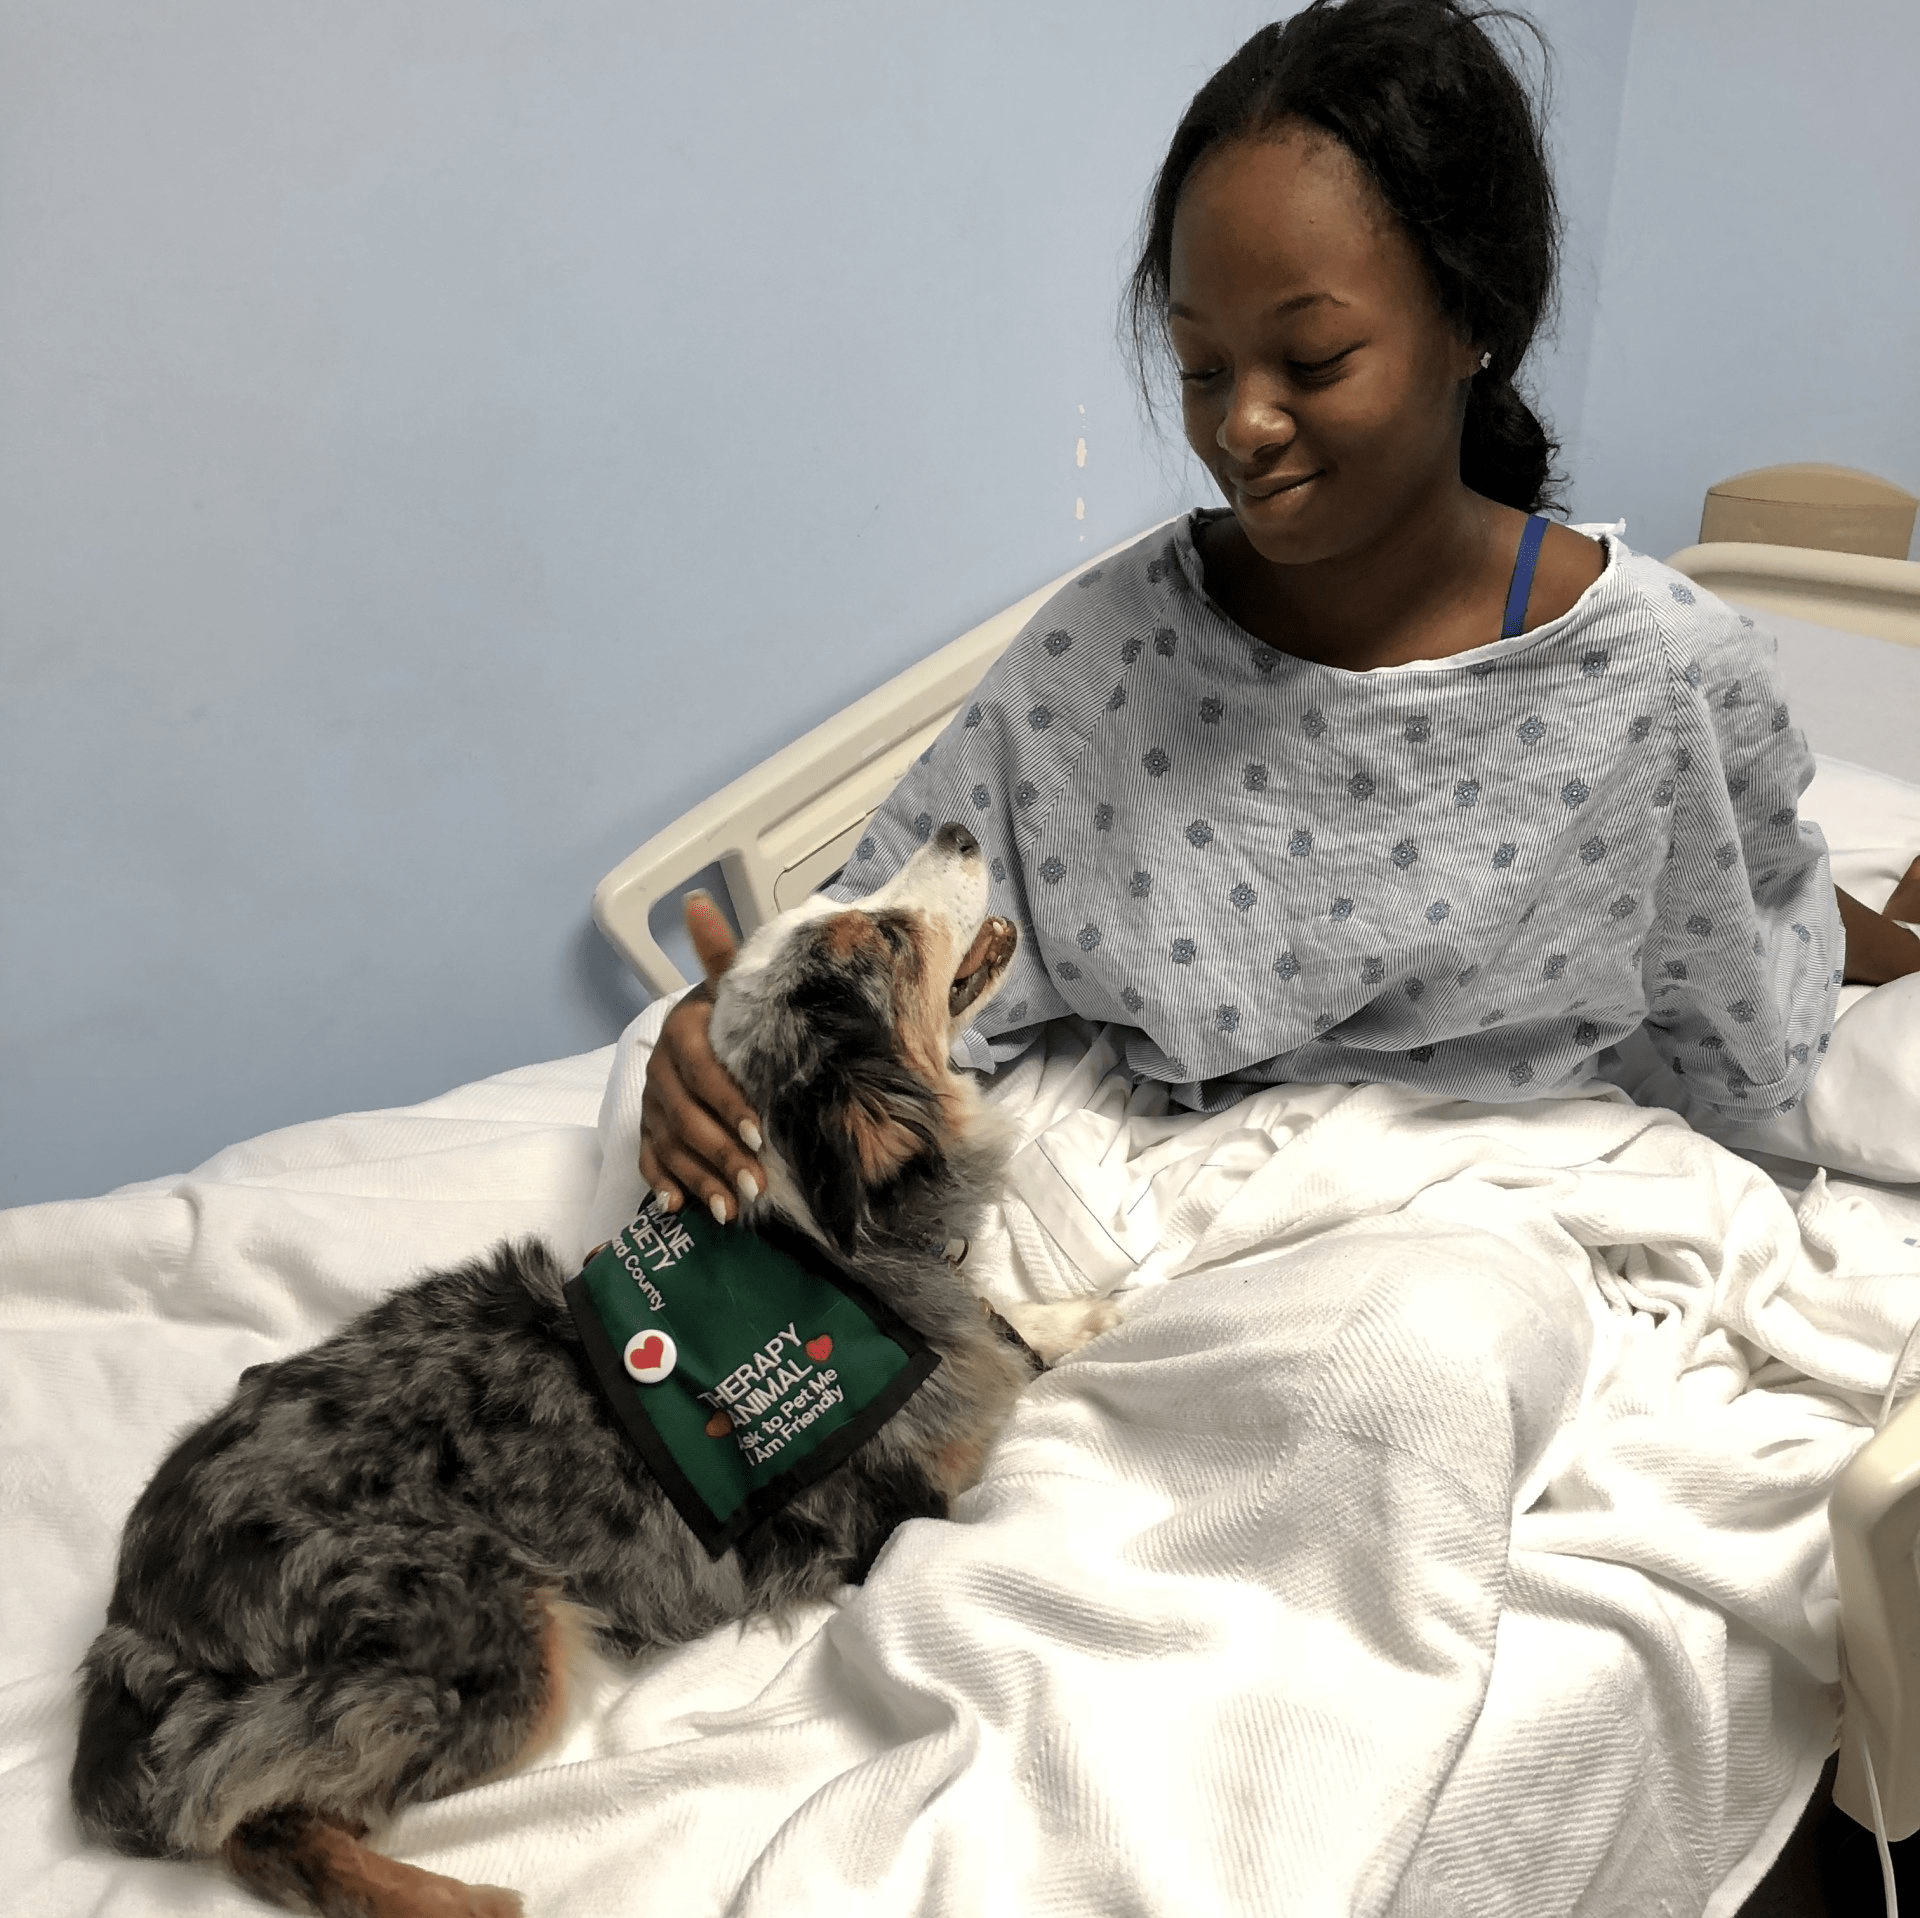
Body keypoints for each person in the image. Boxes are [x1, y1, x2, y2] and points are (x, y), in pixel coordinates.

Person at [639, 0, 1920, 1229]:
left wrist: (1877, 943)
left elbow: (1744, 969)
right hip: (1154, 1172)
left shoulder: (1660, 682)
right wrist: (721, 1039)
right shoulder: (1106, 659)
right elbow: (890, 942)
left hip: (1481, 1202)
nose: (1242, 425)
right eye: (1203, 368)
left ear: (1472, 320)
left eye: (1311, 363)